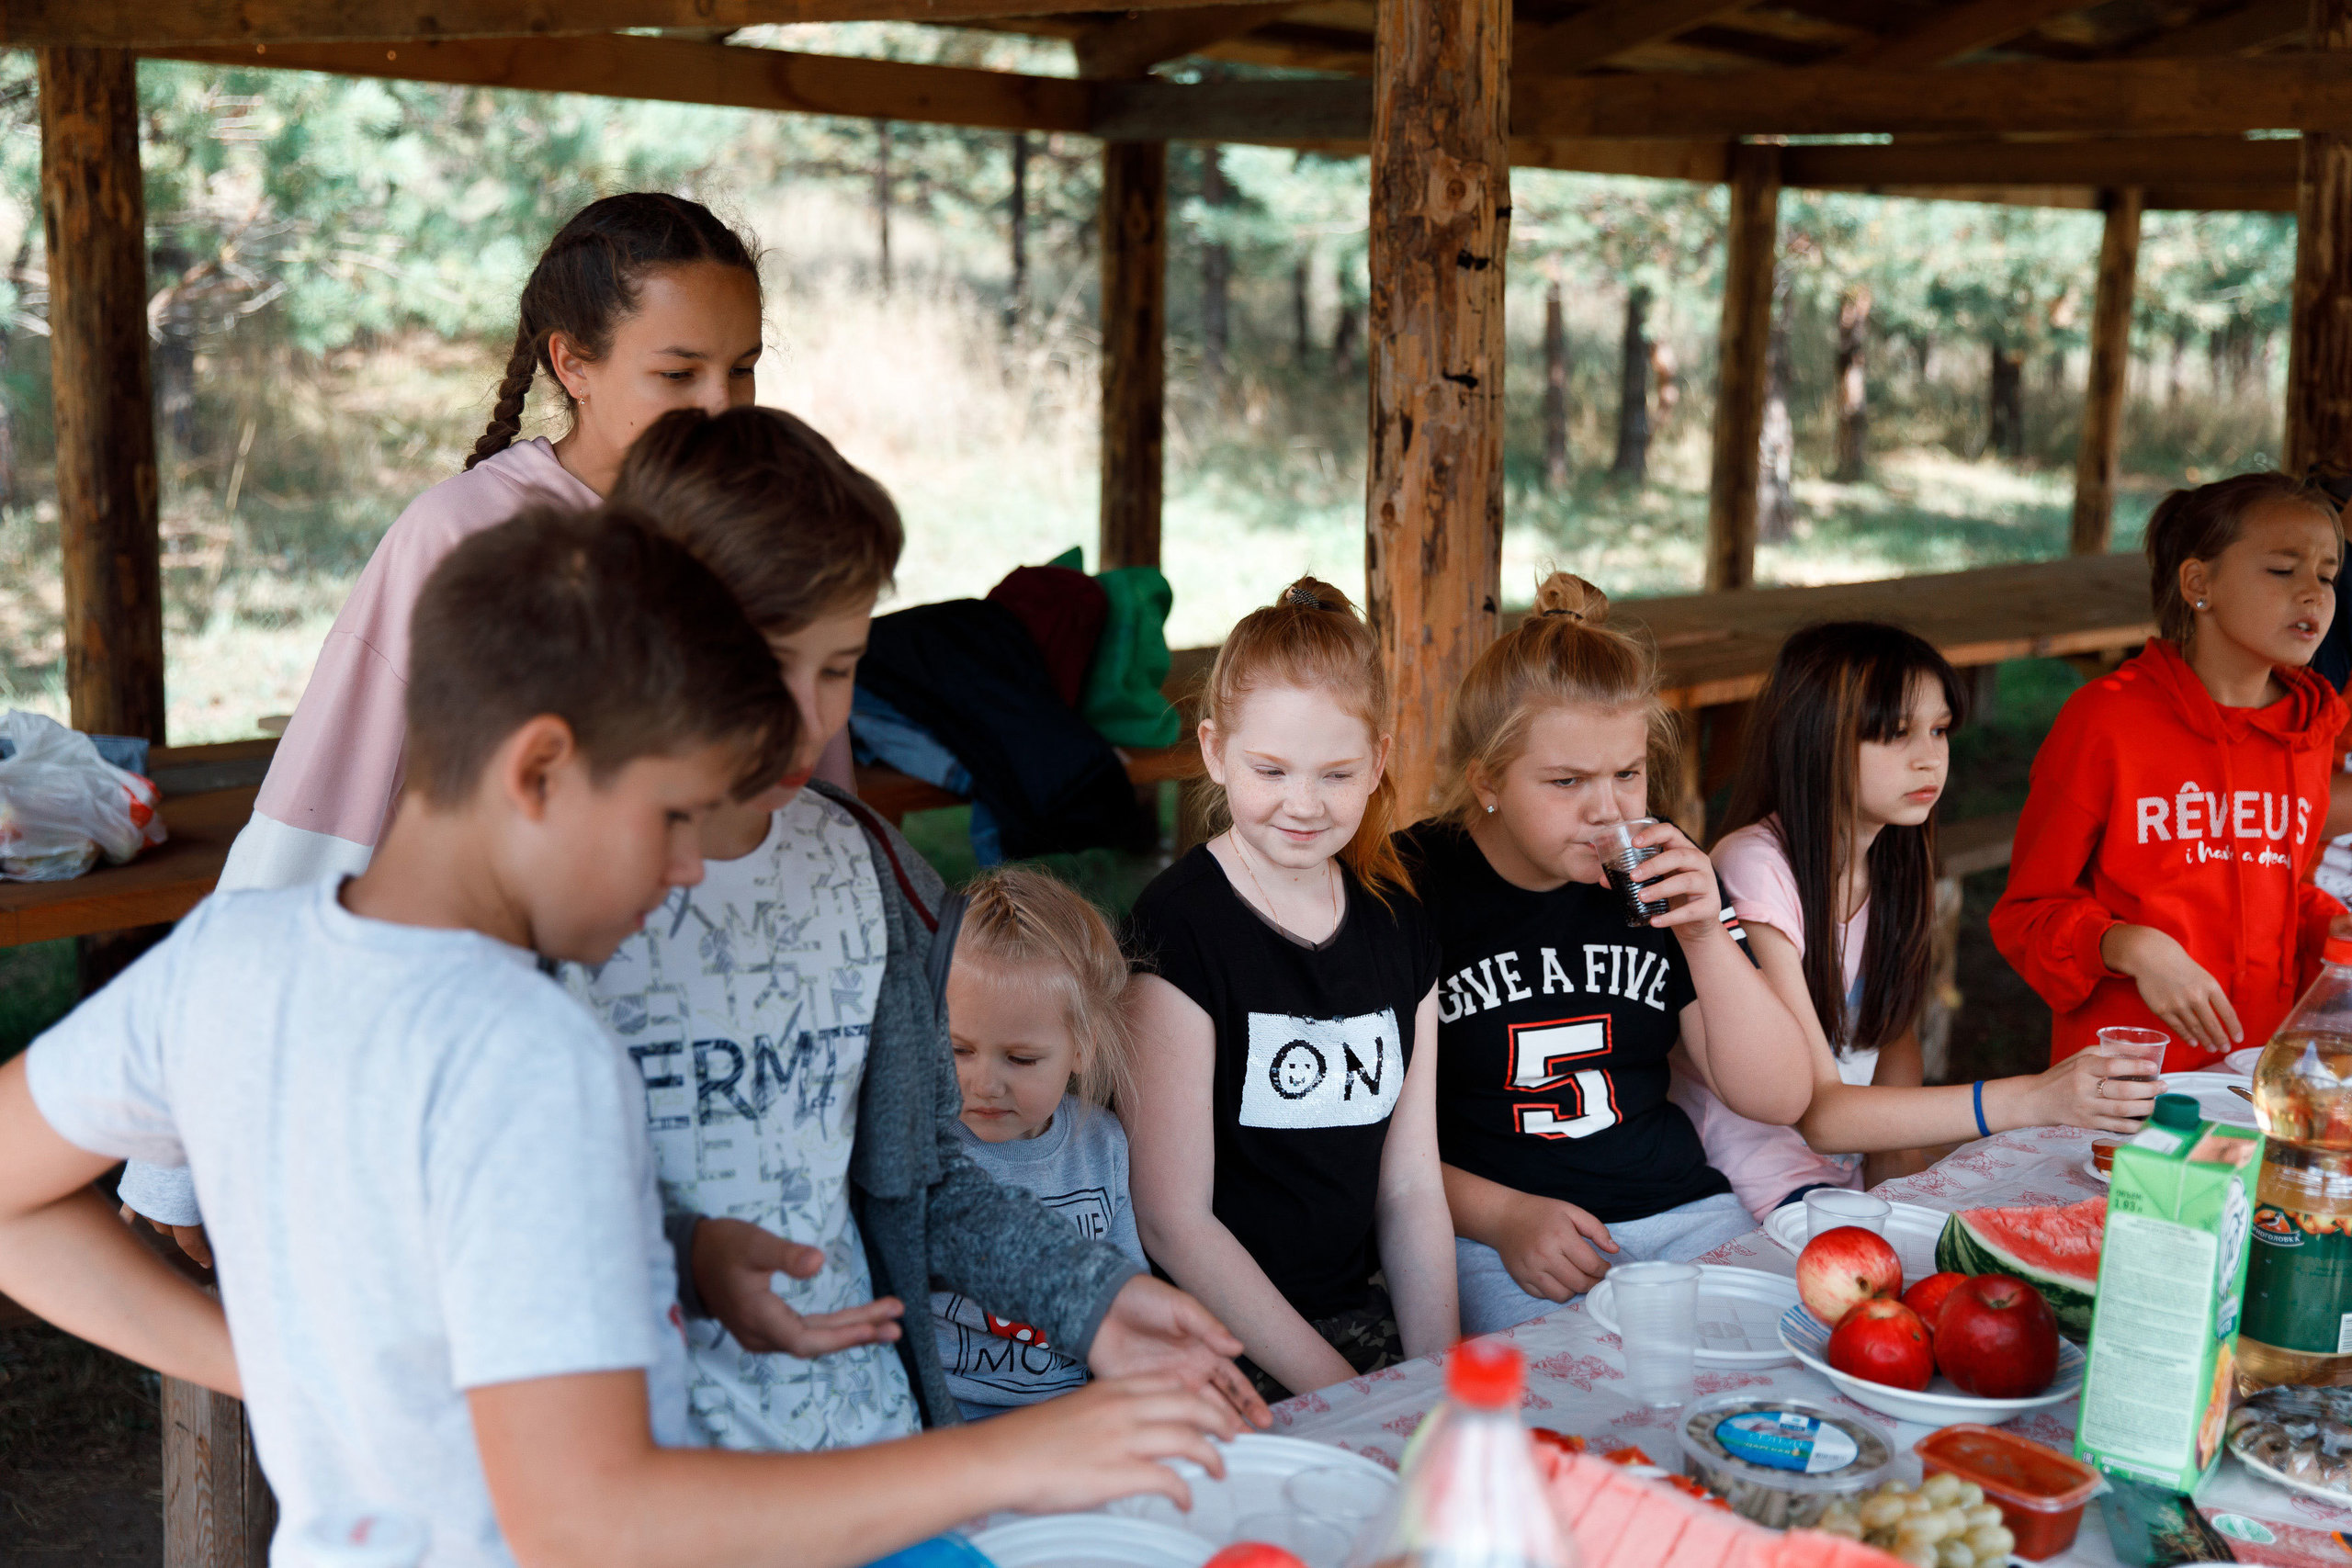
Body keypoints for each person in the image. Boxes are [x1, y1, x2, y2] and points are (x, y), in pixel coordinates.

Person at [0, 509, 1242, 1568]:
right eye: (671, 814)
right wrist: (1008, 1452)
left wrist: (282, 1362)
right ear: (539, 767)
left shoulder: (232, 958)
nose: (693, 864)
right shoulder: (533, 1052)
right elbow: (593, 1515)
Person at [569, 407, 1265, 1443]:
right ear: (658, 642)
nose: (810, 717)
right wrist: (689, 1254)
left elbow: (924, 1174)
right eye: (770, 666)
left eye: (842, 669)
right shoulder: (569, 902)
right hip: (646, 1472)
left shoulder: (865, 870)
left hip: (869, 1442)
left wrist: (1095, 1300)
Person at [119, 192, 786, 1245]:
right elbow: (323, 811)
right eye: (678, 372)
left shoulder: (754, 530)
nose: (722, 404)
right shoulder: (466, 536)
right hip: (497, 1062)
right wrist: (174, 1156)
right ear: (572, 363)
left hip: (728, 1052)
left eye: (742, 368)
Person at [1392, 571, 1814, 1337]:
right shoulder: (1416, 886)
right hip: (1504, 1235)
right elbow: (1361, 1135)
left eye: (1628, 773)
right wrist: (1502, 1215)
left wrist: (1704, 934)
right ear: (1486, 781)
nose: (1608, 809)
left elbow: (1781, 1097)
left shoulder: (1658, 870)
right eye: (1566, 781)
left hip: (1682, 1210)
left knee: (1794, 1353)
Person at [1682, 622, 2159, 1222]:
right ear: (1815, 740)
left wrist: (1896, 1179)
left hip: (1842, 1177)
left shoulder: (1890, 860)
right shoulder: (1755, 867)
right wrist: (2034, 1097)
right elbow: (1822, 1115)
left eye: (1938, 729)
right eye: (1895, 733)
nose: (1929, 755)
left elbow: (1894, 1037)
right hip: (1744, 1189)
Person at [1124, 579, 1459, 1399]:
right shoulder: (1179, 928)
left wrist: (1435, 1378)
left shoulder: (1398, 924)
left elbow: (1411, 1186)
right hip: (1213, 1336)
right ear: (1212, 750)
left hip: (1357, 1315)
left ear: (1378, 760)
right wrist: (1346, 1393)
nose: (1302, 805)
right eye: (1269, 770)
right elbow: (1175, 1220)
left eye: (1337, 774)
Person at [1994, 472, 2351, 1072]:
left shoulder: (2310, 731)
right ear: (2197, 582)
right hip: (2124, 1085)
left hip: (2254, 1075)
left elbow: (2279, 888)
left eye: (2328, 574)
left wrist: (2328, 922)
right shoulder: (2106, 721)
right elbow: (2026, 913)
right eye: (2284, 570)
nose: (2314, 593)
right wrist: (2132, 945)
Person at [932, 865, 1149, 1421]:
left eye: (1021, 1059)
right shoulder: (924, 1152)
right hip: (952, 1423)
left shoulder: (1099, 1144)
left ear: (1083, 1047)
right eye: (958, 1050)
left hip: (1078, 1416)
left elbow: (1128, 1294)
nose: (985, 1083)